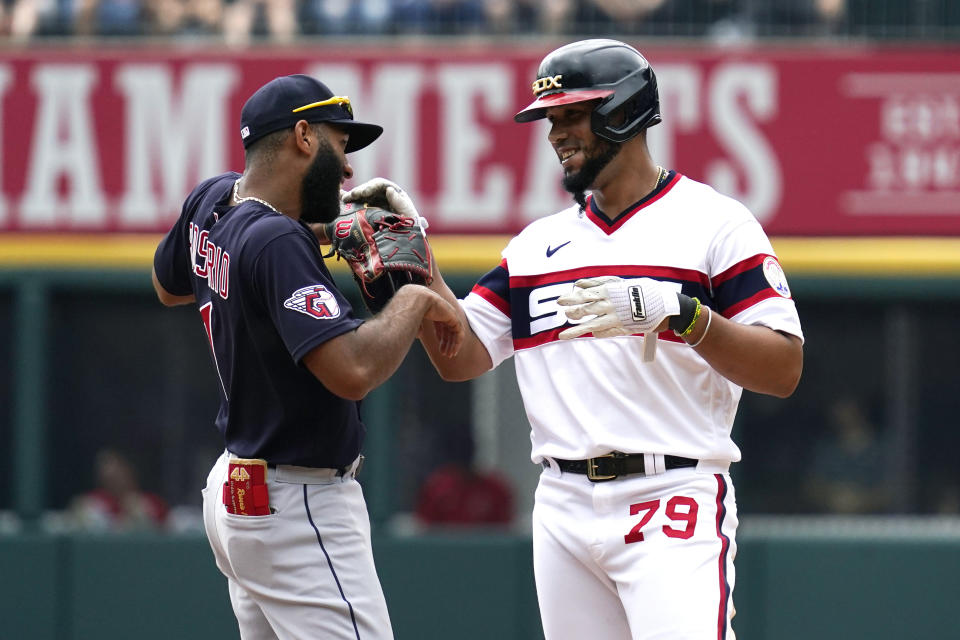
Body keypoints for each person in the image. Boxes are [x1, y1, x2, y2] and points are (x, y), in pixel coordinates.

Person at [351, 39, 804, 638]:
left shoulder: (715, 222)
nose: (556, 133)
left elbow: (783, 368)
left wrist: (684, 315)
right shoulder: (536, 245)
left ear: (624, 110)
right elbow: (459, 357)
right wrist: (419, 256)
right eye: (550, 119)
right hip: (562, 502)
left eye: (573, 115)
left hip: (671, 494)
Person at [151, 74, 462, 640]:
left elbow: (168, 284)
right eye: (340, 145)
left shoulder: (214, 197)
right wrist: (414, 299)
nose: (348, 169)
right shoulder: (277, 242)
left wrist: (329, 231)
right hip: (299, 503)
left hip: (239, 492)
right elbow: (354, 371)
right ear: (302, 137)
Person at [68, 448, 169, 532]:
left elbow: (166, 531)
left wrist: (143, 517)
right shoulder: (93, 501)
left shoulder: (151, 502)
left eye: (117, 474)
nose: (113, 480)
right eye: (108, 478)